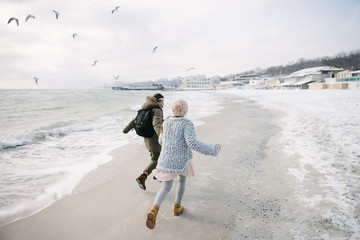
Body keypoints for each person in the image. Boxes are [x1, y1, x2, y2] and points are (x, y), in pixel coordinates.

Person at [145, 99, 221, 229]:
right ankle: (177, 206)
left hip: (166, 159)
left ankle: (154, 209)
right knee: (181, 182)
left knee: (165, 188)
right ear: (185, 111)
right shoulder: (187, 123)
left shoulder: (166, 122)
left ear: (173, 110)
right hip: (182, 161)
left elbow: (161, 140)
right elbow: (193, 143)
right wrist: (212, 149)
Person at [123, 93, 164, 190]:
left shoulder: (144, 109)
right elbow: (156, 124)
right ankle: (143, 176)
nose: (163, 102)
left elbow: (134, 121)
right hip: (155, 140)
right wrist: (162, 137)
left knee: (154, 157)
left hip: (147, 140)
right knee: (156, 160)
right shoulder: (157, 110)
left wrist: (125, 130)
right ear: (157, 101)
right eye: (161, 100)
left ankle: (156, 175)